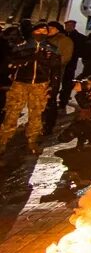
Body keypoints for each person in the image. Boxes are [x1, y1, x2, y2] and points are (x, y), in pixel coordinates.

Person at [0, 22, 60, 157]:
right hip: (20, 83)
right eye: (39, 29)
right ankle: (3, 141)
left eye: (45, 30)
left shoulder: (52, 48)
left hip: (40, 84)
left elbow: (56, 69)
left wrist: (54, 87)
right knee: (12, 113)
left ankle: (32, 140)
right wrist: (29, 57)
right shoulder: (22, 45)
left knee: (36, 114)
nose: (42, 32)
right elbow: (10, 62)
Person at [43, 21, 73, 134]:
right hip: (41, 73)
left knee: (50, 98)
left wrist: (50, 63)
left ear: (57, 29)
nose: (48, 29)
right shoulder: (45, 39)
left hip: (54, 73)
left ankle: (48, 124)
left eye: (51, 27)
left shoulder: (65, 40)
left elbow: (65, 58)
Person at [59, 19, 88, 109]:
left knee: (67, 83)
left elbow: (83, 50)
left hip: (70, 64)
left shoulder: (80, 38)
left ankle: (63, 100)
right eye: (67, 25)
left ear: (74, 26)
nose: (69, 27)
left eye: (71, 25)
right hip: (58, 63)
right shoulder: (60, 35)